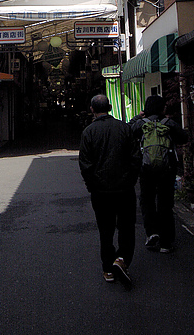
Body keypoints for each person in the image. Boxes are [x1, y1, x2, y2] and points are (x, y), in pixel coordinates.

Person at [79, 94, 141, 286]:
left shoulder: (89, 132)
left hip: (100, 191)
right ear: (111, 107)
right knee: (127, 228)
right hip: (124, 189)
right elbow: (136, 158)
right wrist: (130, 180)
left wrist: (92, 186)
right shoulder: (124, 128)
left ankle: (108, 270)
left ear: (92, 109)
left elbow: (85, 164)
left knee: (105, 230)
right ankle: (121, 259)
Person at [129, 95, 188, 253]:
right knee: (165, 203)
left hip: (146, 168)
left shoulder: (141, 124)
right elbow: (184, 137)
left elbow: (127, 132)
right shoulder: (169, 123)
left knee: (147, 201)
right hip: (167, 170)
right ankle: (166, 243)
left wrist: (138, 117)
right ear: (163, 108)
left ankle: (152, 233)